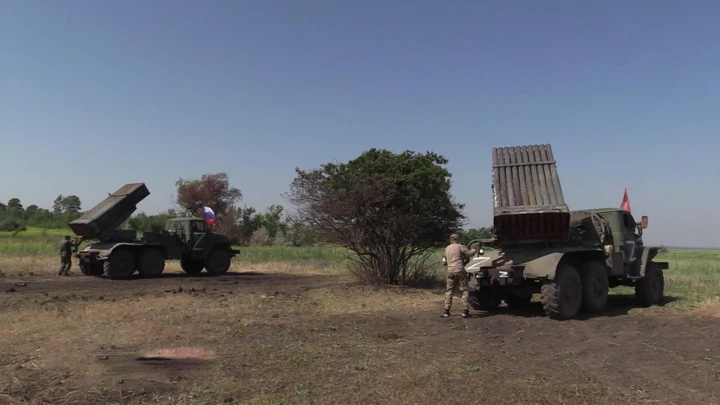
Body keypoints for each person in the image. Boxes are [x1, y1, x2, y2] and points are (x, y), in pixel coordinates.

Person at [442, 234, 476, 318]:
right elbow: (469, 253)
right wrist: (474, 249)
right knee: (464, 290)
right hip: (460, 270)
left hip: (450, 271)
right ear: (458, 239)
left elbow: (444, 261)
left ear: (450, 239)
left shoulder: (446, 248)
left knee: (449, 291)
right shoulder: (460, 246)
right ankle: (465, 311)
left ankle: (446, 311)